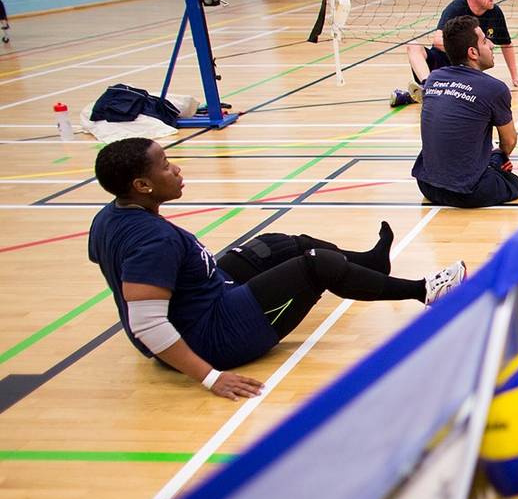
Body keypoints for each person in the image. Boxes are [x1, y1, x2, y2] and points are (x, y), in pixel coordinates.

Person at [88, 138, 466, 400]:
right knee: (316, 266)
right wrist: (210, 377)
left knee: (280, 244)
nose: (177, 169)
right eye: (166, 166)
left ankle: (370, 265)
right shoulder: (152, 241)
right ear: (142, 185)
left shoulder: (110, 217)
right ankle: (425, 291)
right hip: (214, 337)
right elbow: (147, 324)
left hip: (209, 297)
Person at [412, 16, 518, 209]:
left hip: (427, 186)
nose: (492, 45)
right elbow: (509, 142)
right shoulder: (495, 88)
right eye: (485, 40)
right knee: (516, 184)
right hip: (469, 192)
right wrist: (500, 157)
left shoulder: (433, 79)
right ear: (473, 53)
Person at [393, 0, 518, 106]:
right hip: (441, 65)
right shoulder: (456, 9)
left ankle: (417, 95)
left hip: (466, 69)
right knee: (413, 45)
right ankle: (427, 86)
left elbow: (506, 44)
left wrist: (515, 76)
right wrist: (466, 47)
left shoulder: (495, 13)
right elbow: (438, 41)